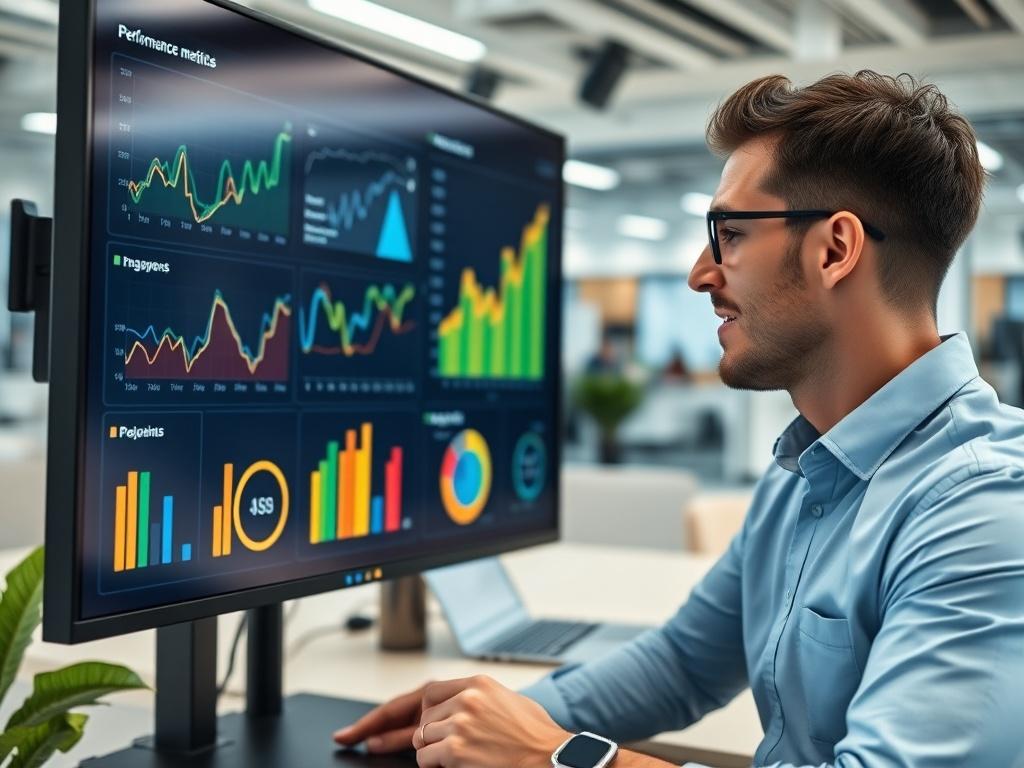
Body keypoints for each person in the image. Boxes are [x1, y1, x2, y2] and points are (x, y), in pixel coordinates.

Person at [333, 71, 1024, 767]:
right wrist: (485, 720)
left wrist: (554, 756)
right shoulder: (806, 473)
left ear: (835, 250)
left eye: (727, 233)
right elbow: (681, 665)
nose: (699, 273)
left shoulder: (982, 510)